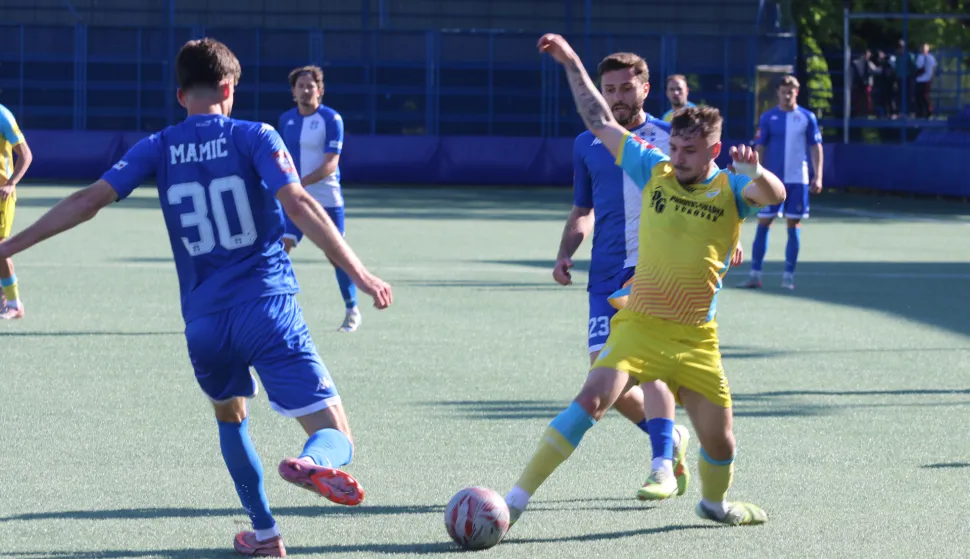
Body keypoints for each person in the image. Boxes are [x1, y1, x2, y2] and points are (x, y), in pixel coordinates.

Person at [0, 38, 392, 557]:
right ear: (229, 88)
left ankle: (266, 535)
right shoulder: (256, 134)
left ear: (180, 95)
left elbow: (88, 201)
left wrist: (8, 245)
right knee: (334, 432)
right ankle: (317, 460)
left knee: (231, 419)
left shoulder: (158, 146)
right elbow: (297, 202)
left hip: (204, 323)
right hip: (266, 307)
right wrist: (358, 271)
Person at [501, 33, 785, 532]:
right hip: (640, 324)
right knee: (591, 399)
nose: (677, 157)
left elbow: (773, 194)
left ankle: (715, 505)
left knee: (722, 443)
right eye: (674, 147)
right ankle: (514, 501)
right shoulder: (651, 167)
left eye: (689, 151)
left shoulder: (732, 189)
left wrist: (757, 171)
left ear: (713, 151)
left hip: (697, 340)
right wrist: (570, 63)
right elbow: (599, 120)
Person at [559, 51, 695, 502]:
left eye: (625, 87)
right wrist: (565, 253)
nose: (617, 97)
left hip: (654, 272)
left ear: (645, 88)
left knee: (650, 366)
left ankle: (661, 466)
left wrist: (728, 235)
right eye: (609, 89)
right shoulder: (586, 143)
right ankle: (671, 439)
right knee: (609, 381)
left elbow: (706, 191)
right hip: (604, 275)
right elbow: (584, 210)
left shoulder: (669, 138)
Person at [279, 65, 361, 332]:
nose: (305, 90)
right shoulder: (286, 120)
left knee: (336, 255)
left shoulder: (331, 119)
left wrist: (299, 184)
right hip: (295, 198)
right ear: (293, 92)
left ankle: (352, 310)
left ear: (320, 90)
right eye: (300, 86)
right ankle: (275, 311)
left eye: (310, 86)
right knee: (280, 250)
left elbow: (330, 164)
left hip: (326, 199)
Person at [739, 75, 822, 290]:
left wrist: (818, 176)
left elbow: (816, 147)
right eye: (784, 91)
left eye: (791, 91)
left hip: (798, 180)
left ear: (797, 92)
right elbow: (760, 148)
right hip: (772, 182)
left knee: (793, 223)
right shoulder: (768, 117)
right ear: (778, 92)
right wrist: (757, 176)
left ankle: (788, 277)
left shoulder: (807, 117)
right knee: (764, 221)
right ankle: (755, 274)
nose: (787, 95)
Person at [0, 103, 34, 319]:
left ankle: (14, 304)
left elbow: (26, 155)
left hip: (1, 194)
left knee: (0, 249)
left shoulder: (3, 115)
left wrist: (11, 183)